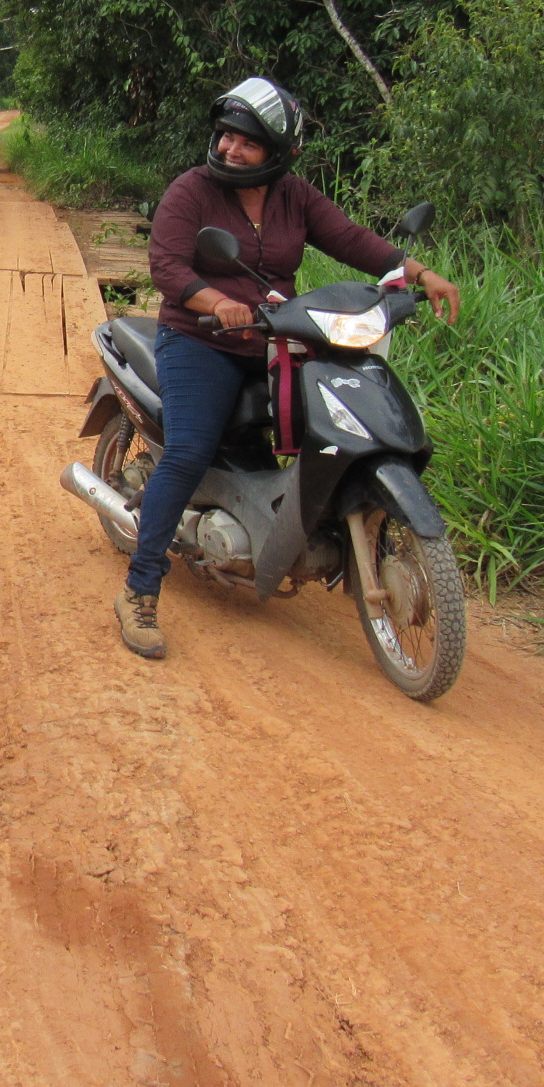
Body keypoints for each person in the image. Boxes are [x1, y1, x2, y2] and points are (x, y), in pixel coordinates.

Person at [119, 76, 462, 659]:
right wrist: (216, 303)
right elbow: (168, 267)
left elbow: (352, 239)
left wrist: (419, 274)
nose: (230, 149)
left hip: (276, 337)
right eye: (226, 137)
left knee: (331, 426)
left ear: (278, 153)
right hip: (201, 341)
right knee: (189, 448)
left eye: (247, 143)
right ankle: (140, 589)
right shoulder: (191, 192)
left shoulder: (295, 196)